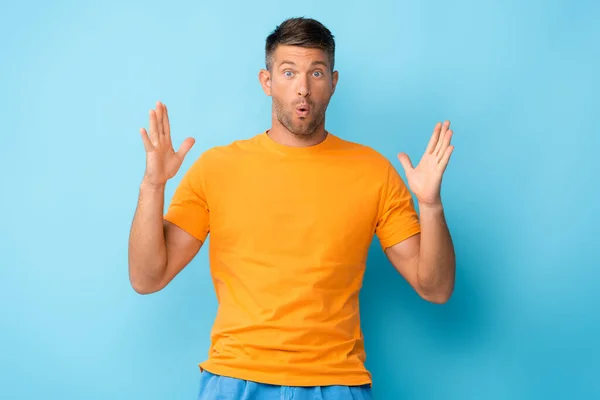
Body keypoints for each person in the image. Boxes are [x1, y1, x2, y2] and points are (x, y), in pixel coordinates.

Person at [128, 16, 456, 400]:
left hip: (336, 383)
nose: (302, 89)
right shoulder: (217, 169)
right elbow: (147, 278)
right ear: (267, 82)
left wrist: (430, 205)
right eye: (288, 72)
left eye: (316, 73)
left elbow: (435, 288)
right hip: (236, 380)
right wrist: (153, 186)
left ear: (333, 83)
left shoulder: (373, 172)